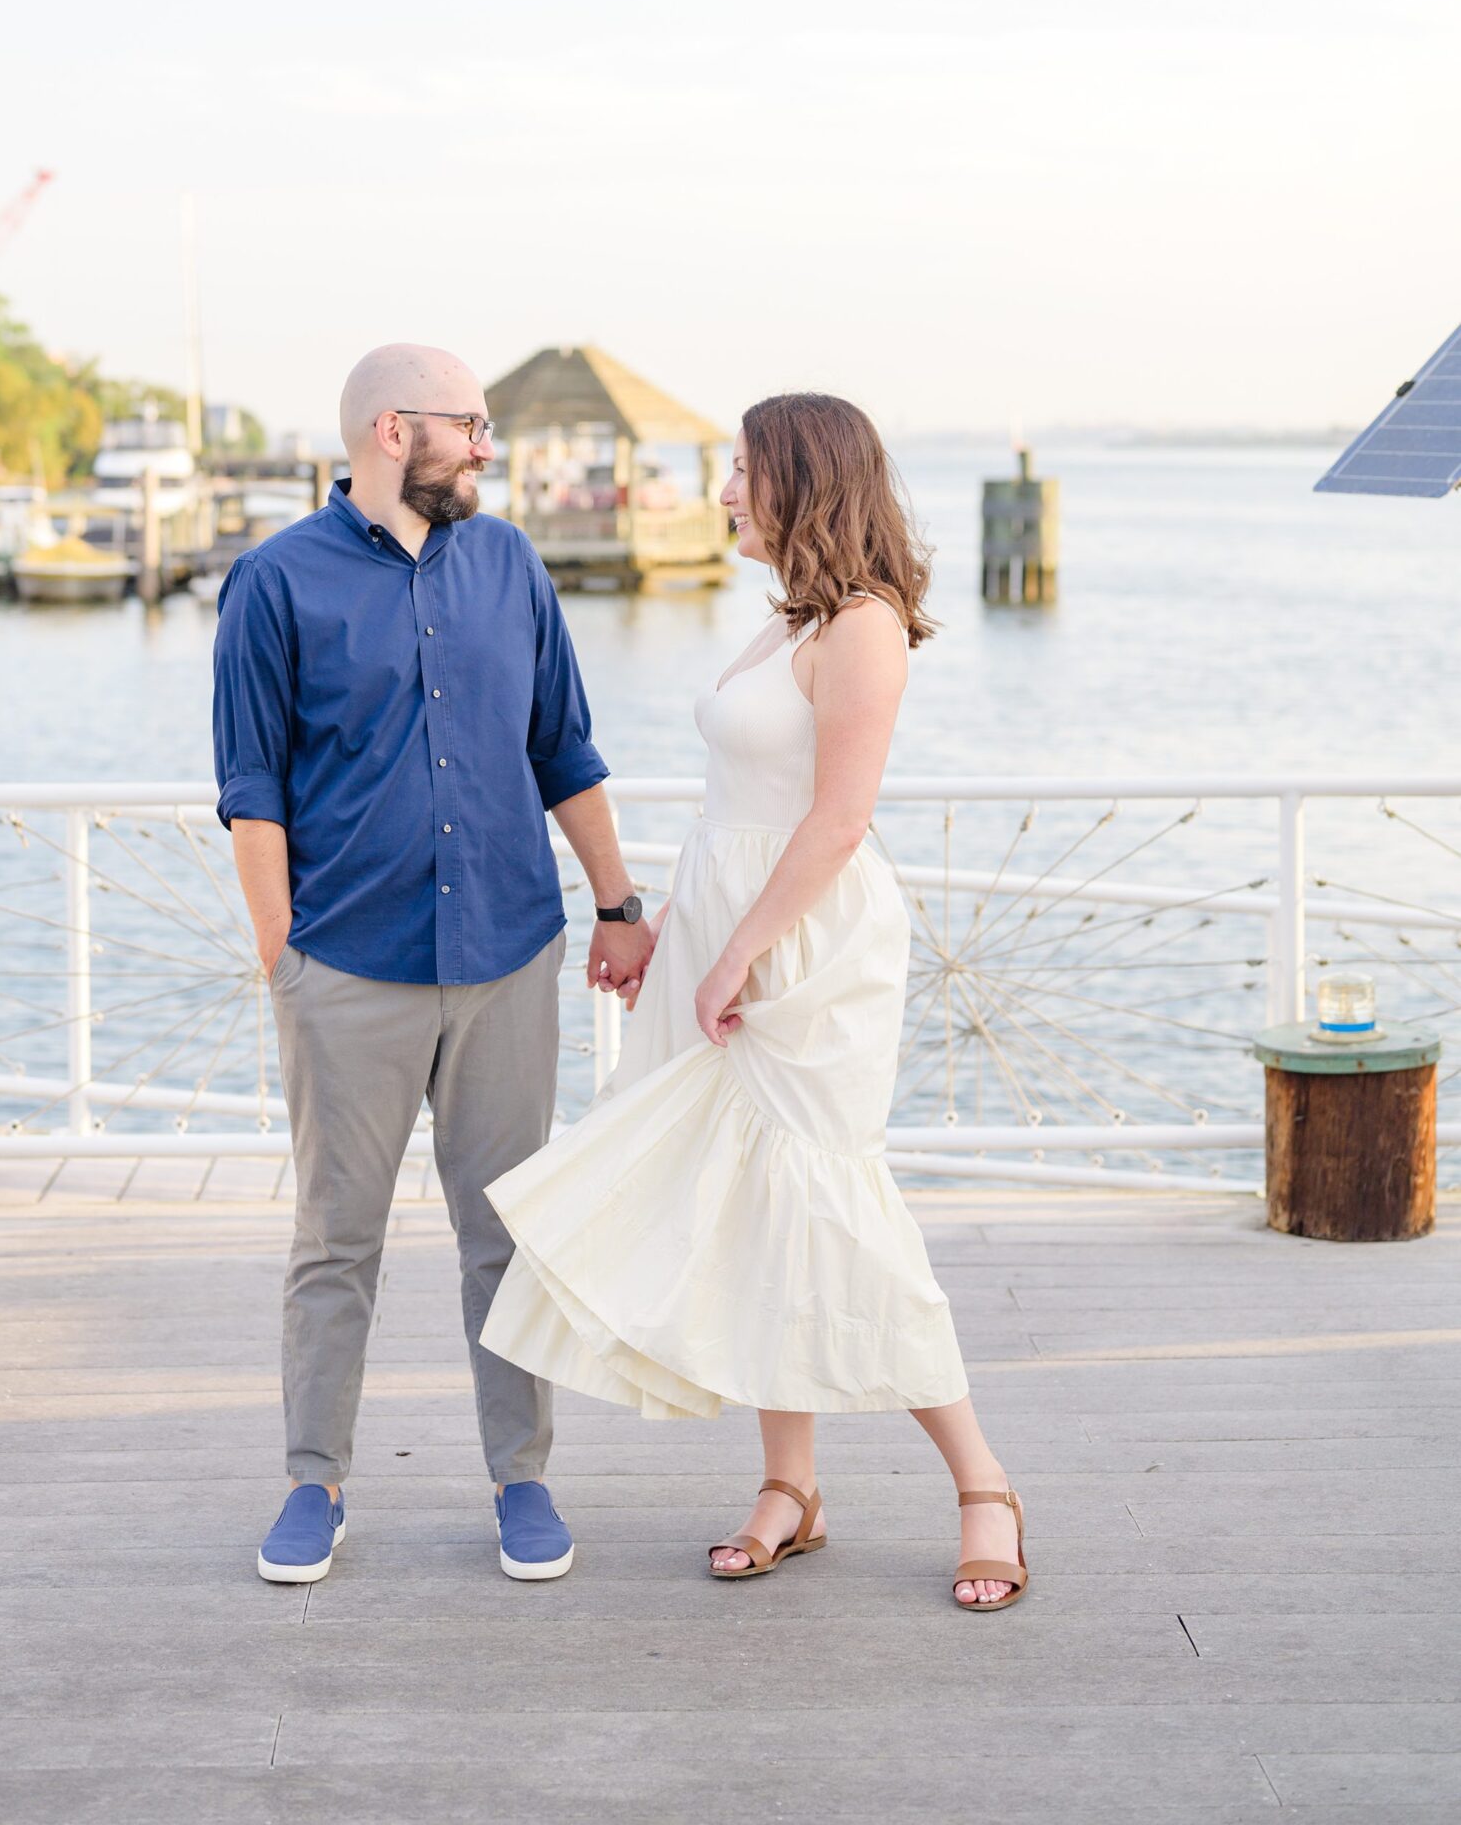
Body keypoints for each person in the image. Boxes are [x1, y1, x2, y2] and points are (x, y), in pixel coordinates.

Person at [481, 392, 1030, 1608]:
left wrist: (735, 955)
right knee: (752, 1206)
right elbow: (742, 810)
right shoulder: (785, 616)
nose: (722, 490)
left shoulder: (864, 628)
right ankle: (792, 1485)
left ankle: (981, 1482)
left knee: (830, 1202)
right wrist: (672, 927)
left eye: (740, 470)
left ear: (801, 480)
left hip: (808, 948)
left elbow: (834, 821)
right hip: (731, 928)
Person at [213, 344, 654, 1586]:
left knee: (506, 1235)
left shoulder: (509, 562)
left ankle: (522, 1478)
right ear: (394, 430)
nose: (488, 447)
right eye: (473, 425)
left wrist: (616, 901)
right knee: (334, 1238)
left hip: (507, 949)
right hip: (346, 965)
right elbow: (252, 793)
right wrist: (279, 958)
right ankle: (315, 1482)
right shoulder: (273, 582)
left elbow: (561, 743)